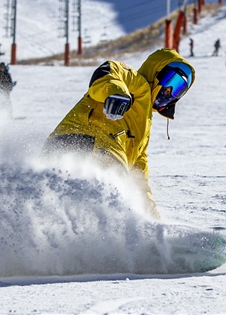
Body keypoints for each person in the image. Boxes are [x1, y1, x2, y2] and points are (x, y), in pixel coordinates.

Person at [43, 48, 195, 218]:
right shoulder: (136, 83)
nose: (169, 91)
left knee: (70, 210)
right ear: (158, 72)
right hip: (88, 142)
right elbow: (108, 71)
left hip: (77, 150)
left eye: (178, 89)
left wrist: (152, 219)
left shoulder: (144, 127)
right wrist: (117, 93)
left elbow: (139, 179)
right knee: (117, 198)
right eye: (171, 82)